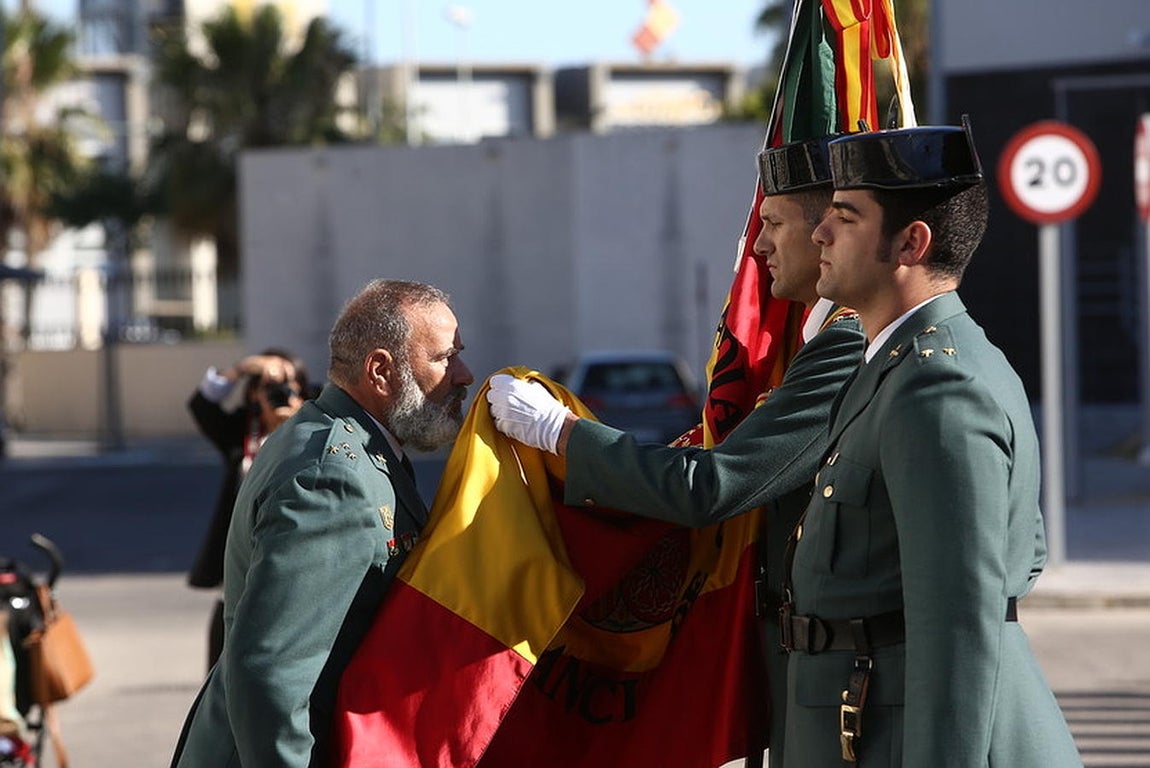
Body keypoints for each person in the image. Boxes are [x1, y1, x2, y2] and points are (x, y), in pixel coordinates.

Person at [486, 136, 866, 768]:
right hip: (806, 667)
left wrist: (562, 435)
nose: (758, 247)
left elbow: (715, 486)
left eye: (773, 224)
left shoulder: (845, 341)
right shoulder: (820, 338)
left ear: (825, 229)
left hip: (840, 674)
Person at [770, 121, 1080, 766]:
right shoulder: (895, 367)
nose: (819, 233)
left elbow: (958, 628)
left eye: (845, 217)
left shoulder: (937, 390)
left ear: (911, 242)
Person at [171, 279, 474, 768]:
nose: (463, 375)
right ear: (381, 371)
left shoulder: (351, 441)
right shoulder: (332, 477)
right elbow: (270, 675)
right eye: (444, 358)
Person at [187, 349, 309, 671]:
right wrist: (241, 369)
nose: (280, 393)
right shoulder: (242, 432)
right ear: (254, 394)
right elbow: (201, 405)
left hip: (291, 569)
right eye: (268, 386)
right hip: (239, 566)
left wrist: (297, 423)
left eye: (289, 384)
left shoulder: (314, 429)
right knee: (221, 669)